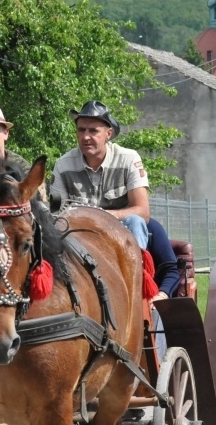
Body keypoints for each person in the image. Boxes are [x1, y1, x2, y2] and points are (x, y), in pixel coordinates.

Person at [50, 100, 180, 300]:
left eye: (93, 131)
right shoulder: (63, 165)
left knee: (135, 221)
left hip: (124, 234)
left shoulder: (128, 159)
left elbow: (142, 211)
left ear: (108, 133)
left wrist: (103, 217)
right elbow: (57, 217)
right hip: (81, 238)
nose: (86, 137)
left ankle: (138, 287)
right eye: (81, 130)